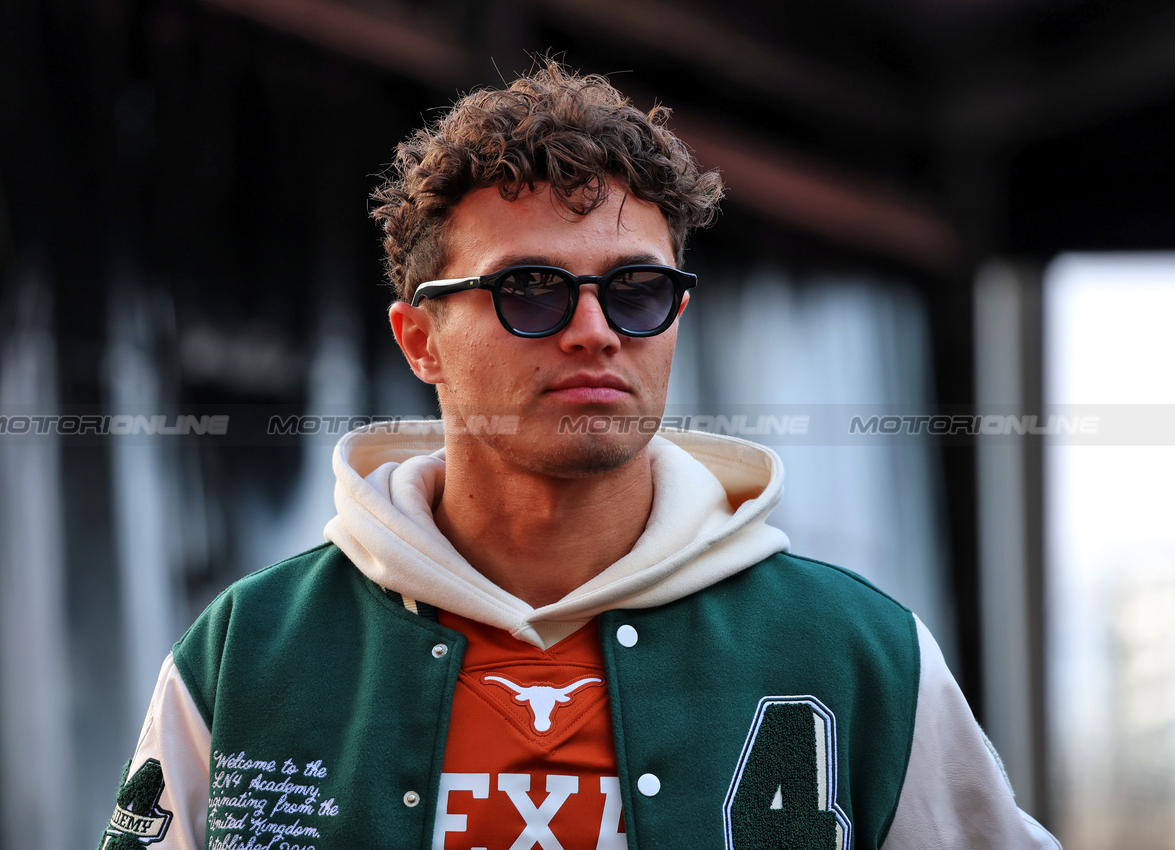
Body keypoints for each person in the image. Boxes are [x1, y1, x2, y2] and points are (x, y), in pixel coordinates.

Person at [99, 63, 1059, 850]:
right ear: (418, 339)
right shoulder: (253, 650)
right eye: (529, 288)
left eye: (637, 289)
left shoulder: (856, 653)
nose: (595, 331)